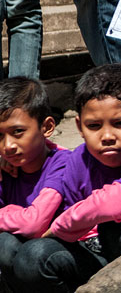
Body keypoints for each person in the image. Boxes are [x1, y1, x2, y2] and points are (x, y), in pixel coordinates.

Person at [13, 66, 121, 291]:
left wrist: (62, 225)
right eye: (93, 126)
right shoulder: (78, 160)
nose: (107, 136)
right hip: (90, 254)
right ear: (79, 126)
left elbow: (119, 201)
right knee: (33, 255)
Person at [0, 78, 69, 279]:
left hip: (61, 252)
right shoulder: (8, 166)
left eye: (18, 132)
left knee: (26, 252)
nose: (8, 145)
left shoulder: (63, 163)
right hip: (26, 256)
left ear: (46, 127)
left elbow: (34, 224)